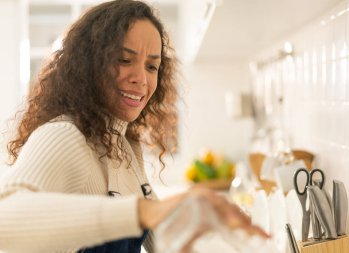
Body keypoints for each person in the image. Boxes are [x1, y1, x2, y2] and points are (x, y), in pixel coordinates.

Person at [0, 0, 269, 252]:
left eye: (152, 66)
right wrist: (142, 212)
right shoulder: (64, 135)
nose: (141, 78)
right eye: (125, 60)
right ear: (90, 64)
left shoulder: (125, 146)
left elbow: (163, 239)